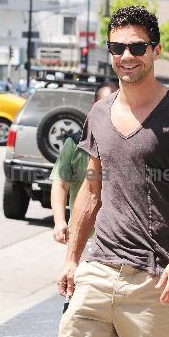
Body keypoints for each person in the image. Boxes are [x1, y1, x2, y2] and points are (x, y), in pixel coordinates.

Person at [57, 6, 169, 337]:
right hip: (97, 271)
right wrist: (72, 258)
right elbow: (90, 190)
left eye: (137, 47)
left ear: (156, 50)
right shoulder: (99, 113)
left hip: (153, 279)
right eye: (117, 48)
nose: (126, 55)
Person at [50, 81, 119, 245]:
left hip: (118, 241)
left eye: (115, 104)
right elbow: (60, 183)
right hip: (83, 237)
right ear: (94, 106)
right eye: (104, 105)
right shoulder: (75, 143)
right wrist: (59, 221)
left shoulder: (133, 142)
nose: (109, 111)